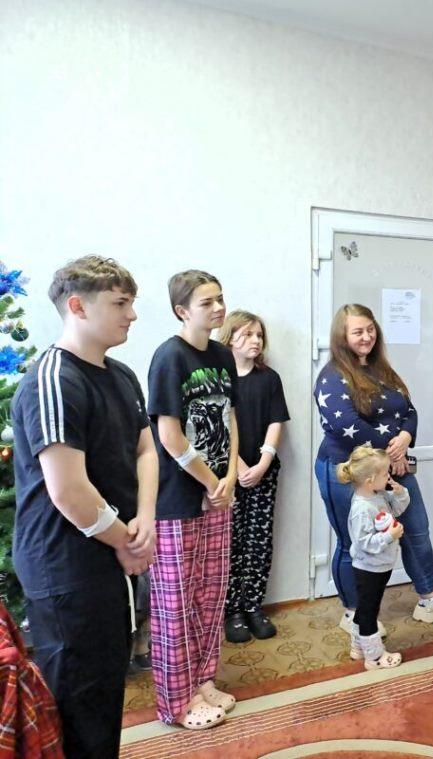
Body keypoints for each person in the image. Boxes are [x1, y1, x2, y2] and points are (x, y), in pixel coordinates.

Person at [12, 256, 155, 757]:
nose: (132, 315)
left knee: (105, 689)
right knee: (78, 702)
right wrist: (127, 542)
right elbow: (68, 491)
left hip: (112, 550)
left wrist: (145, 520)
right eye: (120, 303)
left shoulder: (121, 375)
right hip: (65, 564)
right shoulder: (53, 379)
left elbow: (145, 450)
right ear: (77, 306)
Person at [314, 304, 433, 636]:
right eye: (357, 331)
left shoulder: (382, 369)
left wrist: (406, 437)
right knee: (352, 543)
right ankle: (354, 614)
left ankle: (428, 602)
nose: (366, 336)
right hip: (348, 471)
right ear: (341, 336)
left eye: (370, 329)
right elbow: (346, 425)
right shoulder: (331, 377)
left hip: (394, 464)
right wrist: (391, 453)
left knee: (417, 533)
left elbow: (408, 410)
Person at [148, 270, 239, 729]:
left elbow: (231, 418)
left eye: (220, 299)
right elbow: (169, 435)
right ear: (182, 311)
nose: (219, 308)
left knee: (210, 595)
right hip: (178, 500)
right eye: (207, 302)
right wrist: (209, 481)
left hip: (218, 494)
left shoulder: (222, 355)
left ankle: (203, 681)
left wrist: (230, 476)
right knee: (175, 603)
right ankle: (175, 702)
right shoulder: (169, 357)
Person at [218, 311, 290, 643]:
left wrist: (263, 463)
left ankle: (253, 606)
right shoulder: (219, 379)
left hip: (263, 473)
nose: (255, 340)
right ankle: (232, 611)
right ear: (229, 338)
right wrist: (239, 465)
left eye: (259, 335)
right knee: (230, 542)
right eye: (247, 334)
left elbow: (276, 421)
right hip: (227, 475)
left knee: (258, 542)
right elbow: (216, 427)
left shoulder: (269, 378)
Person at [340, 447, 408, 668]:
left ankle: (359, 647)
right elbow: (364, 542)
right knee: (369, 611)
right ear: (370, 480)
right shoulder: (362, 509)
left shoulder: (378, 496)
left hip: (380, 565)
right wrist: (390, 536)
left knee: (365, 607)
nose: (389, 477)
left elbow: (396, 510)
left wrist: (399, 493)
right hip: (368, 568)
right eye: (385, 474)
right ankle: (375, 657)